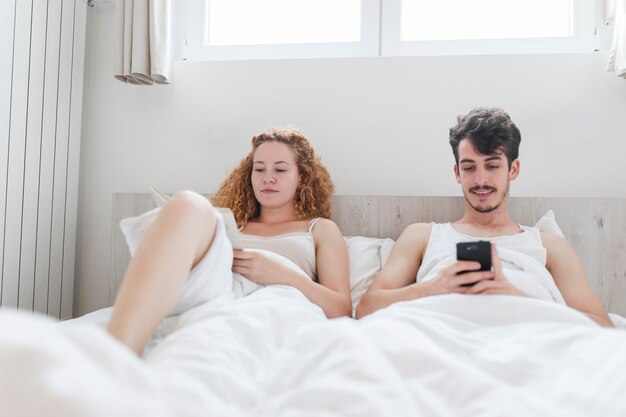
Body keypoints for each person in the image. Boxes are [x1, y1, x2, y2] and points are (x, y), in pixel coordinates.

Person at [355, 107, 613, 327]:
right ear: (457, 172)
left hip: (528, 337)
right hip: (441, 335)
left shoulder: (550, 246)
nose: (480, 180)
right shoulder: (422, 235)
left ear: (513, 169)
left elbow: (603, 328)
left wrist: (517, 297)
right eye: (469, 167)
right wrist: (434, 288)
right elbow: (366, 309)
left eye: (492, 165)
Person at [107, 128, 351, 355]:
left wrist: (279, 273)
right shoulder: (230, 225)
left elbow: (341, 309)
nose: (268, 178)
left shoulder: (320, 229)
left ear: (301, 177)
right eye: (259, 169)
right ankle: (120, 347)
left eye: (280, 169)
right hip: (217, 287)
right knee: (186, 203)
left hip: (274, 301)